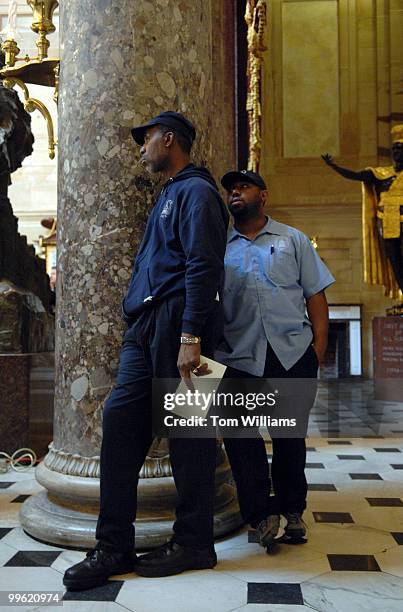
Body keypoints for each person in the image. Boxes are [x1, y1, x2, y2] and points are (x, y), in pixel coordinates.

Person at [63, 111, 229, 590]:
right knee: (120, 427)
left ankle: (196, 541)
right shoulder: (171, 193)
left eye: (147, 139)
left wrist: (191, 336)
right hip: (147, 326)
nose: (142, 148)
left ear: (170, 139)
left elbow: (204, 267)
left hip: (179, 324)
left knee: (190, 440)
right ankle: (113, 545)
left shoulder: (197, 193)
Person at [215, 169, 335, 542]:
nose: (236, 192)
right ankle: (260, 514)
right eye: (231, 189)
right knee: (238, 433)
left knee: (288, 438)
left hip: (291, 353)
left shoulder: (292, 240)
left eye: (244, 186)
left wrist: (317, 350)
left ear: (262, 196)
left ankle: (291, 510)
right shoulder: (219, 245)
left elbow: (315, 295)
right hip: (239, 355)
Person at [322, 124, 403, 300]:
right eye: (394, 148)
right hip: (388, 222)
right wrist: (335, 167)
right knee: (395, 261)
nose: (397, 151)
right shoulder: (380, 174)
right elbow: (355, 175)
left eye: (401, 148)